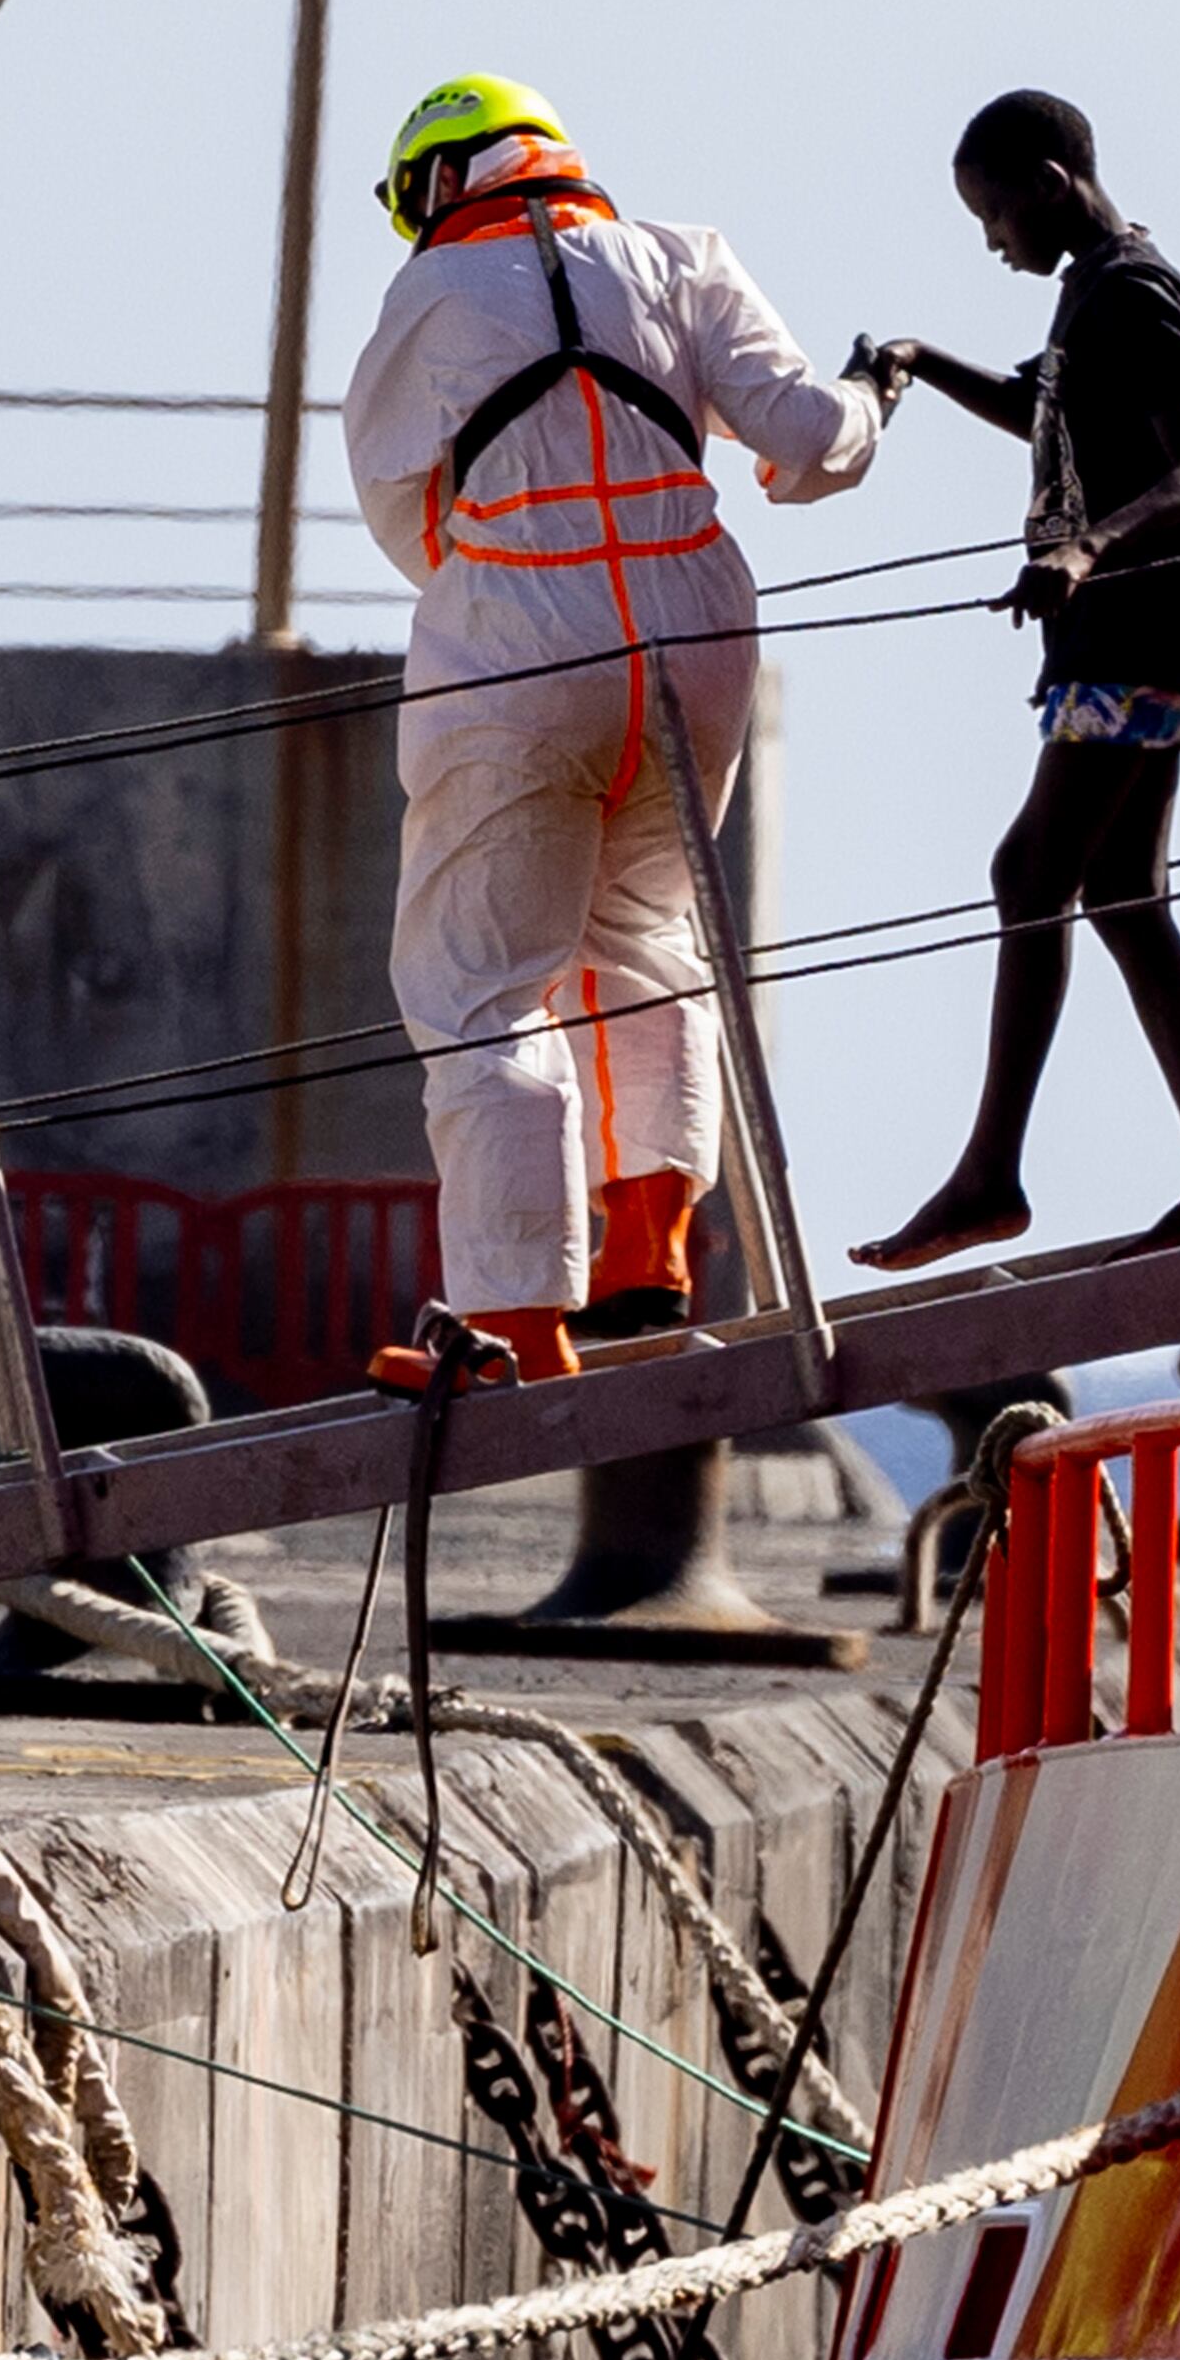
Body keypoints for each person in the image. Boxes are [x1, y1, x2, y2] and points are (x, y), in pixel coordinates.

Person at [339, 77, 883, 1388]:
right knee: (647, 936)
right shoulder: (686, 258)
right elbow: (813, 445)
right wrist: (871, 391)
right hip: (698, 634)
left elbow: (400, 508)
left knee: (481, 987)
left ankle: (521, 1327)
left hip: (521, 638)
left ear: (440, 181)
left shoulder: (424, 297)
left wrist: (512, 588)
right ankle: (653, 1246)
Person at [850, 90, 1180, 1273]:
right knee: (1117, 890)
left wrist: (1084, 550)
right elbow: (1037, 410)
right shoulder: (1099, 294)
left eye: (993, 215)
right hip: (1162, 636)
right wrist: (914, 358)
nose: (992, 242)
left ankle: (989, 1176)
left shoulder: (1128, 295)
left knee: (1030, 871)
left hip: (1147, 630)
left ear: (1048, 182)